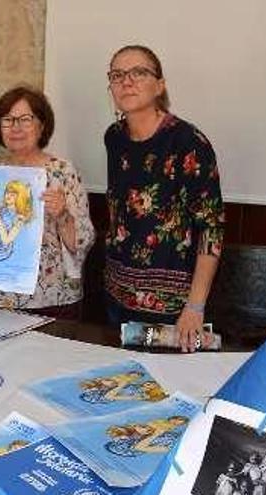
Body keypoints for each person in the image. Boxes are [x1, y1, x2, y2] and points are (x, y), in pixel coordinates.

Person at [103, 45, 224, 352]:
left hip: (173, 307)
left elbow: (211, 228)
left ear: (160, 85)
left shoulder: (188, 142)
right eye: (117, 75)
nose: (126, 81)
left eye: (138, 72)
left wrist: (195, 307)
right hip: (116, 295)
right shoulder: (114, 137)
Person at [0, 86, 95, 319]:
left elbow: (82, 243)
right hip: (0, 296)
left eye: (25, 119)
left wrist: (63, 214)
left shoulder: (62, 172)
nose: (16, 127)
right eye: (8, 120)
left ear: (42, 125)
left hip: (53, 298)